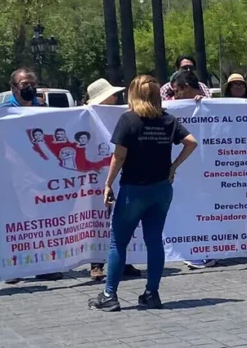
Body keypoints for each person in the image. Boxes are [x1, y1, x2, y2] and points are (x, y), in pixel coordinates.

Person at [88, 75, 198, 312]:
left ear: (134, 95)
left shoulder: (128, 120)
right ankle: (152, 293)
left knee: (119, 242)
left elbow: (119, 156)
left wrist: (108, 184)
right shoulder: (168, 120)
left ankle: (110, 295)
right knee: (154, 241)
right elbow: (191, 142)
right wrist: (173, 166)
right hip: (161, 189)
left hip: (133, 190)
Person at [0, 68, 64, 283]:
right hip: (12, 175)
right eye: (24, 84)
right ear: (13, 87)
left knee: (42, 221)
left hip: (39, 176)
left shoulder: (43, 108)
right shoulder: (2, 111)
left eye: (32, 84)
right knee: (14, 221)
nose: (29, 88)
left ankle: (44, 265)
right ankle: (15, 268)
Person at [84, 78, 141, 280]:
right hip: (96, 171)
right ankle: (96, 263)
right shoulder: (86, 115)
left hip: (118, 169)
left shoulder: (121, 114)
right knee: (97, 214)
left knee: (122, 215)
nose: (116, 97)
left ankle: (124, 260)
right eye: (112, 95)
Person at [170, 71, 217, 269]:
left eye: (176, 92)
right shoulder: (177, 108)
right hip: (190, 169)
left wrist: (206, 104)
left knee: (208, 208)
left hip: (212, 167)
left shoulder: (210, 104)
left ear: (186, 88)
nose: (174, 97)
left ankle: (210, 251)